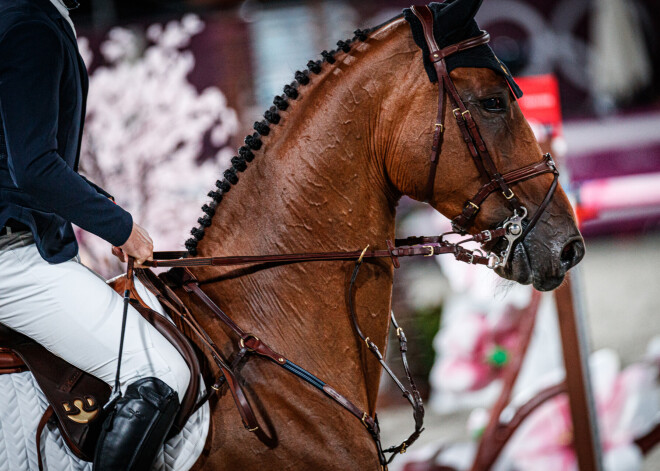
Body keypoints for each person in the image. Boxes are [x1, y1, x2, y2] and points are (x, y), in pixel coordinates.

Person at [0, 0, 190, 469]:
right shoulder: (31, 26)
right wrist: (120, 228)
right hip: (11, 257)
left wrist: (104, 207)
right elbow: (35, 169)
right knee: (162, 372)